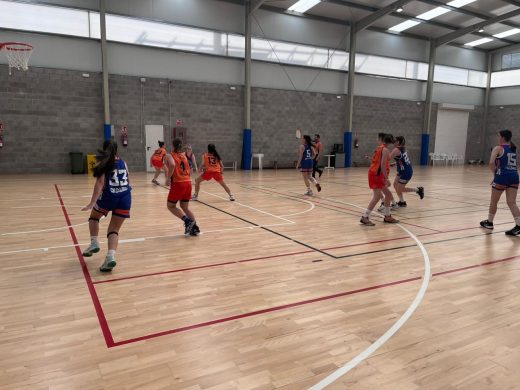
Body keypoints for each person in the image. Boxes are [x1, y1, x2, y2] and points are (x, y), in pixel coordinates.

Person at [82, 140, 131, 272]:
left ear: (104, 150)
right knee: (113, 230)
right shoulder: (123, 162)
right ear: (117, 150)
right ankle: (110, 257)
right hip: (125, 197)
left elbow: (100, 182)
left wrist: (92, 203)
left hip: (110, 196)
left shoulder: (104, 163)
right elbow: (128, 179)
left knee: (93, 217)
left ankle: (94, 243)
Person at [480, 129, 520, 236]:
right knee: (512, 203)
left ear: (502, 137)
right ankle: (519, 225)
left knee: (494, 201)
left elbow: (491, 163)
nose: (498, 138)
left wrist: (495, 175)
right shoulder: (513, 149)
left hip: (502, 177)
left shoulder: (498, 148)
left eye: (499, 136)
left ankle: (489, 222)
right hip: (514, 176)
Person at [360, 134, 398, 225]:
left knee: (387, 195)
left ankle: (387, 216)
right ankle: (365, 217)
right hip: (377, 175)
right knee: (378, 196)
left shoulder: (379, 148)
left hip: (374, 174)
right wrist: (387, 178)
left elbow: (378, 162)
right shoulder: (385, 150)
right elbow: (382, 165)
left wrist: (390, 165)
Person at [164, 138, 200, 236]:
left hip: (178, 183)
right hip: (188, 182)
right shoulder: (184, 155)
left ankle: (187, 221)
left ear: (172, 145)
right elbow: (190, 167)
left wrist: (168, 178)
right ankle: (194, 228)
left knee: (170, 206)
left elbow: (171, 165)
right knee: (185, 207)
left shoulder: (169, 155)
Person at [389, 136, 424, 207]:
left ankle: (418, 190)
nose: (393, 143)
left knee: (400, 188)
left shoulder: (396, 150)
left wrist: (376, 159)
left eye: (394, 141)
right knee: (395, 185)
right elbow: (403, 160)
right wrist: (395, 163)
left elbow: (387, 158)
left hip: (406, 172)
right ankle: (402, 202)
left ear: (398, 142)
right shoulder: (403, 148)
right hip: (401, 170)